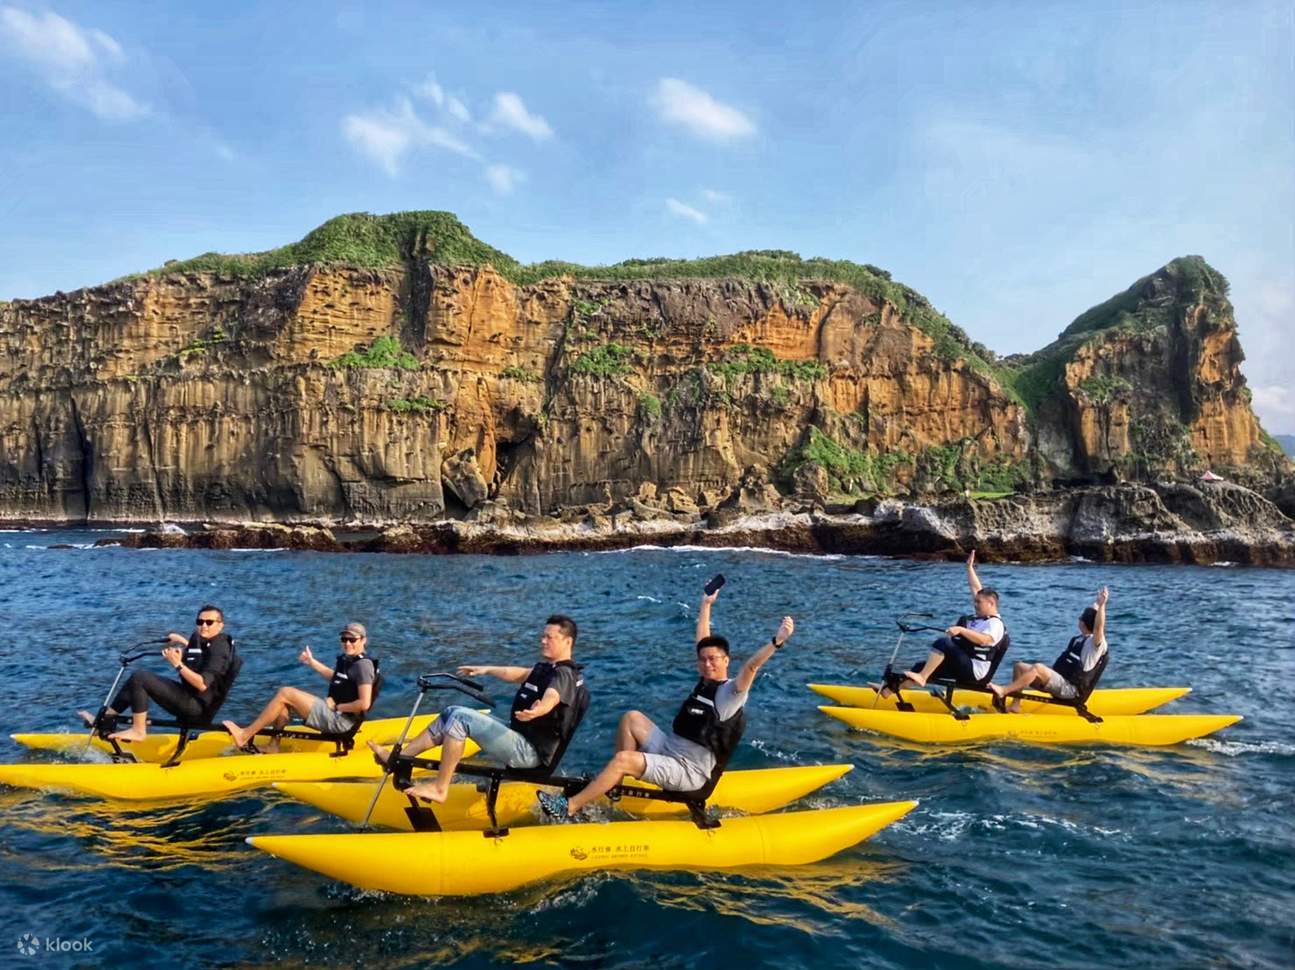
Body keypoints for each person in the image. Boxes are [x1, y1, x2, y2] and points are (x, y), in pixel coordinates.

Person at [537, 584, 793, 821]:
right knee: (631, 718)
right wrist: (706, 605)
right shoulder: (706, 680)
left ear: (727, 660)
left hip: (688, 771)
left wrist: (776, 642)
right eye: (703, 660)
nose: (707, 663)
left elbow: (752, 666)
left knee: (623, 759)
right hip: (669, 750)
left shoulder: (731, 694)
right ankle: (614, 785)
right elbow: (703, 641)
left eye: (714, 659)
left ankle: (568, 807)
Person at [368, 615, 585, 803]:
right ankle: (400, 759)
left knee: (460, 719)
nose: (542, 640)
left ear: (568, 641)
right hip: (520, 737)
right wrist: (486, 669)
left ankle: (440, 788)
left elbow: (553, 696)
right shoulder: (548, 668)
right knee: (451, 712)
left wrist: (539, 710)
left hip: (529, 753)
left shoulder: (564, 674)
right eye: (543, 636)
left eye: (549, 637)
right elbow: (518, 674)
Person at [78, 604, 237, 742]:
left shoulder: (220, 648)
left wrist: (177, 664)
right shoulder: (204, 640)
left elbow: (202, 685)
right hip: (188, 696)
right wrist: (182, 642)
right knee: (135, 679)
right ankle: (105, 722)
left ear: (220, 625)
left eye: (209, 622)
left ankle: (139, 731)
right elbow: (201, 656)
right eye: (200, 622)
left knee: (141, 678)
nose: (204, 626)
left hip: (197, 707)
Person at [223, 622, 376, 752]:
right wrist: (312, 662)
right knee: (283, 700)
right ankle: (273, 745)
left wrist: (337, 707)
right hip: (334, 712)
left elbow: (364, 704)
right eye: (344, 639)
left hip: (341, 721)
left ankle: (244, 736)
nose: (347, 643)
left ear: (363, 641)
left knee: (286, 693)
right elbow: (336, 678)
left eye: (352, 640)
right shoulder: (349, 659)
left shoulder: (363, 666)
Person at [883, 549, 1005, 694]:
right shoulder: (981, 616)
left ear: (991, 603)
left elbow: (985, 640)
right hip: (965, 663)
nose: (975, 604)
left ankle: (922, 678)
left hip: (975, 671)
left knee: (944, 643)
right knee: (920, 665)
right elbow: (977, 589)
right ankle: (887, 691)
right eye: (975, 601)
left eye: (978, 602)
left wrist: (961, 630)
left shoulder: (995, 623)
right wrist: (969, 568)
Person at [990, 587, 1109, 712]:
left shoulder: (1095, 645)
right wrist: (1097, 602)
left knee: (1038, 668)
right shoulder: (1080, 639)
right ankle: (1015, 705)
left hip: (1072, 691)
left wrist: (1102, 606)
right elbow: (1094, 618)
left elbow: (1098, 627)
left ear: (1084, 623)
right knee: (1019, 667)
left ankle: (1004, 691)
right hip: (1061, 682)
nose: (1078, 619)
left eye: (1081, 617)